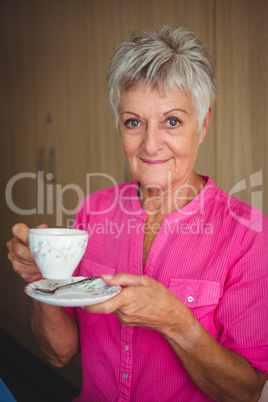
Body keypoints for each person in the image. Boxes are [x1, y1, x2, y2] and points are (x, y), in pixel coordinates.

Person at [7, 26, 268, 401]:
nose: (149, 144)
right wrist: (41, 281)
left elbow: (245, 392)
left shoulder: (249, 235)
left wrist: (176, 322)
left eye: (172, 121)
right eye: (134, 122)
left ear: (204, 124)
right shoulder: (92, 212)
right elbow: (59, 353)